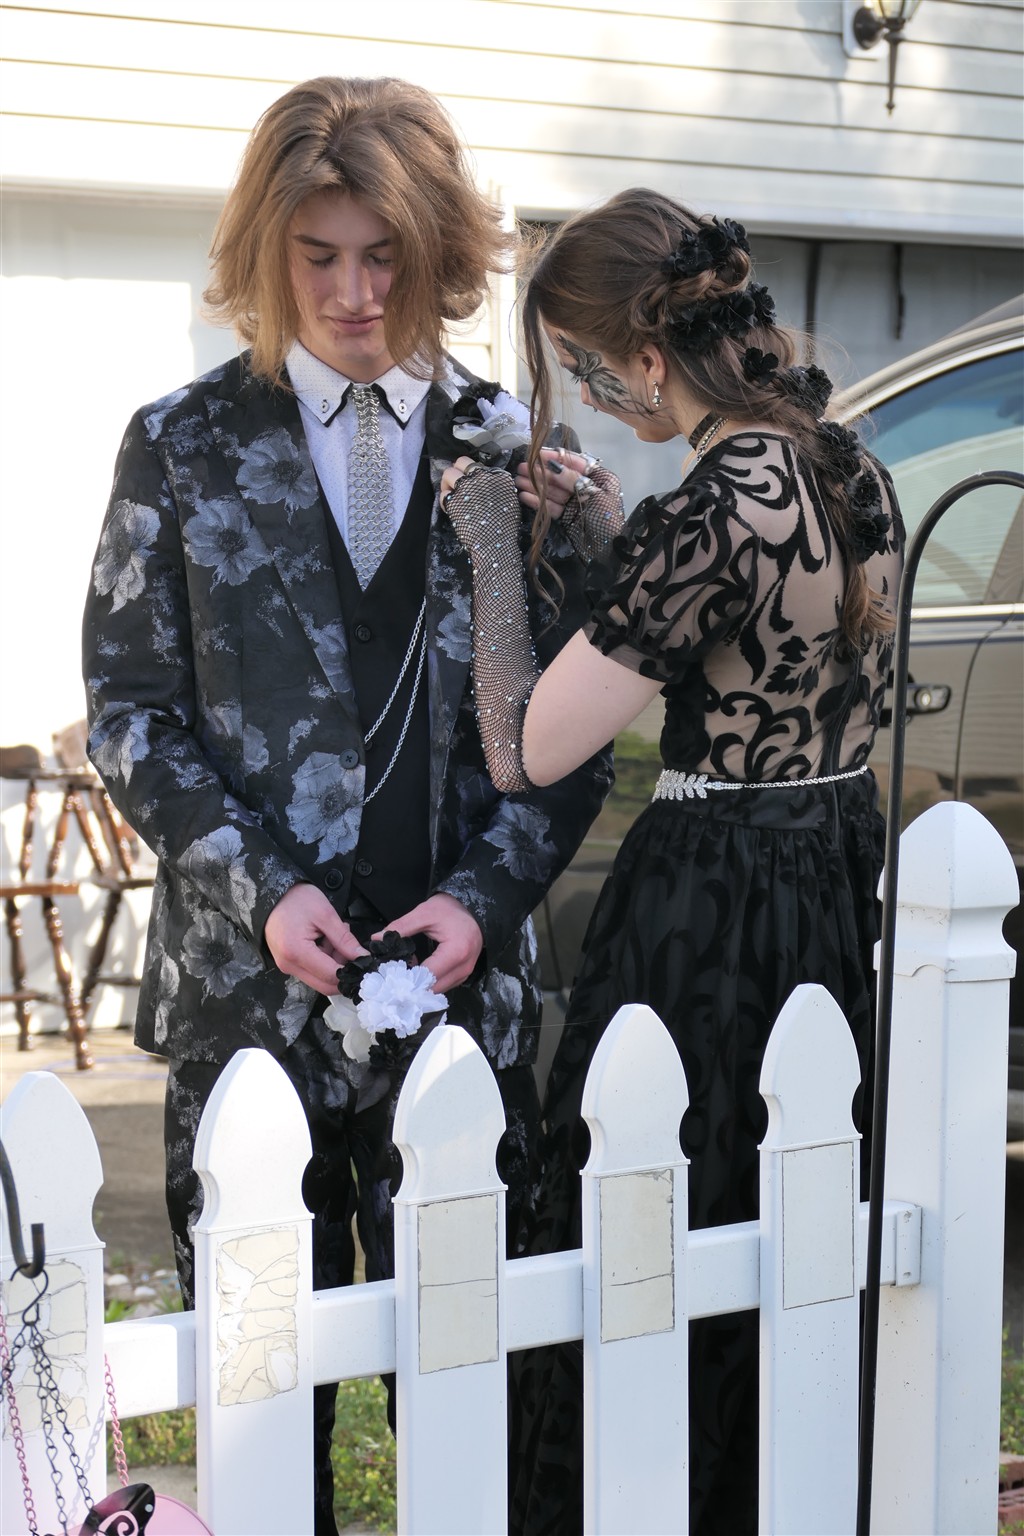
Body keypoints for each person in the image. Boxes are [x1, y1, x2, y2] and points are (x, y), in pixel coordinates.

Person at [82, 76, 612, 1535]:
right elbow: (130, 711)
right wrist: (262, 889)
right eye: (319, 256)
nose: (356, 294)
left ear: (439, 252)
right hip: (245, 1010)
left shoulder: (517, 451)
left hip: (466, 1010)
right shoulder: (178, 444)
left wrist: (486, 900)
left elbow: (579, 737)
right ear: (266, 252)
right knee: (262, 1404)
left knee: (469, 1401)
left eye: (387, 256)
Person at [440, 187, 905, 1536]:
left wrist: (491, 553)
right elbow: (746, 636)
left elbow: (528, 746)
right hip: (832, 878)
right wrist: (612, 539)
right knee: (785, 1232)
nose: (587, 399)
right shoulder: (844, 462)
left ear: (648, 357)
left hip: (714, 904)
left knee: (657, 1232)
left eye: (585, 369)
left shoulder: (716, 502)